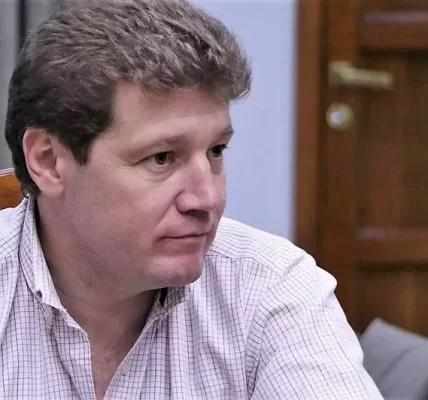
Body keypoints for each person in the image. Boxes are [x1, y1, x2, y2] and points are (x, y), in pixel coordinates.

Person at [0, 0, 383, 399]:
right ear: (49, 161)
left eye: (216, 151)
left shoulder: (270, 289)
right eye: (161, 158)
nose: (207, 198)